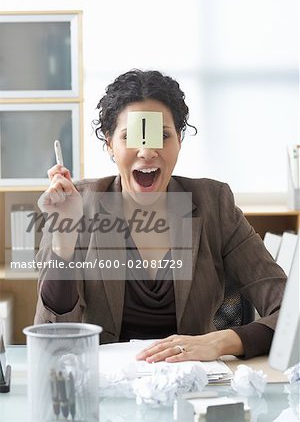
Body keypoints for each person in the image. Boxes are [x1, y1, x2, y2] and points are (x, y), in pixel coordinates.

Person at [34, 69, 286, 363]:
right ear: (109, 144)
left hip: (193, 388)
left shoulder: (214, 204)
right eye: (130, 137)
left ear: (180, 139)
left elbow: (290, 312)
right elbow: (51, 339)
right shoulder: (76, 203)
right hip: (106, 390)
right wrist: (64, 241)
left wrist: (220, 341)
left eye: (162, 136)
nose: (146, 151)